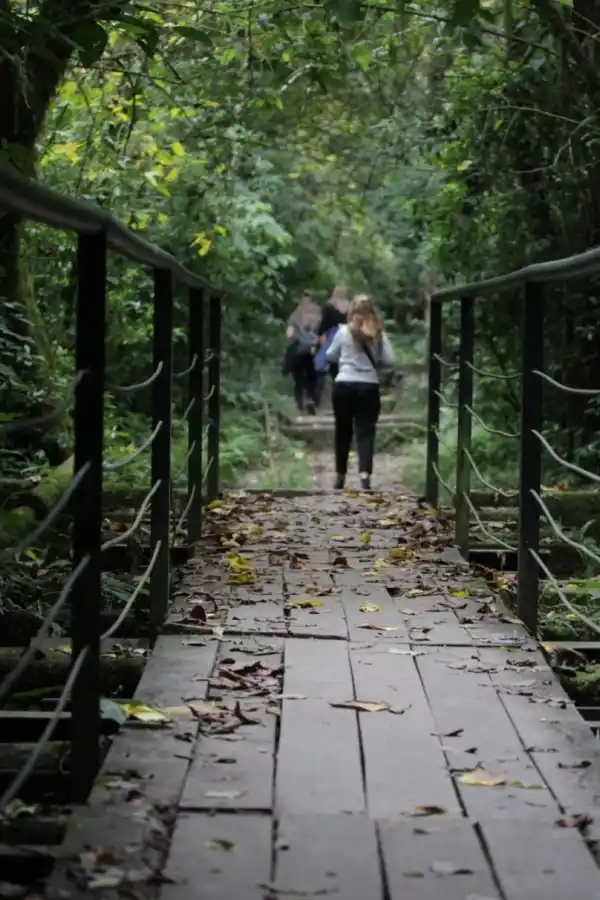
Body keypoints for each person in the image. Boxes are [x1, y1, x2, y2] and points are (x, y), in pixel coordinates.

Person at [325, 294, 395, 491]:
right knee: (365, 432)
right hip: (368, 387)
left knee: (342, 431)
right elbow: (389, 361)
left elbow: (330, 355)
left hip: (344, 385)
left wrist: (344, 358)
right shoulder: (378, 333)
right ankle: (365, 476)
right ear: (372, 312)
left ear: (352, 312)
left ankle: (340, 476)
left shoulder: (342, 332)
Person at [282, 291, 320, 414]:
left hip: (298, 350)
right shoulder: (318, 316)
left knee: (298, 377)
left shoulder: (295, 315)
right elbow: (323, 333)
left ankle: (299, 403)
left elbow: (289, 334)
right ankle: (310, 399)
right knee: (312, 377)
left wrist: (294, 337)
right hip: (313, 350)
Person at [314, 285, 349, 385]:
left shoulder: (329, 306)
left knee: (321, 363)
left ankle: (318, 392)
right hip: (346, 336)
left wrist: (319, 335)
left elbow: (324, 323)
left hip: (331, 335)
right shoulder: (350, 307)